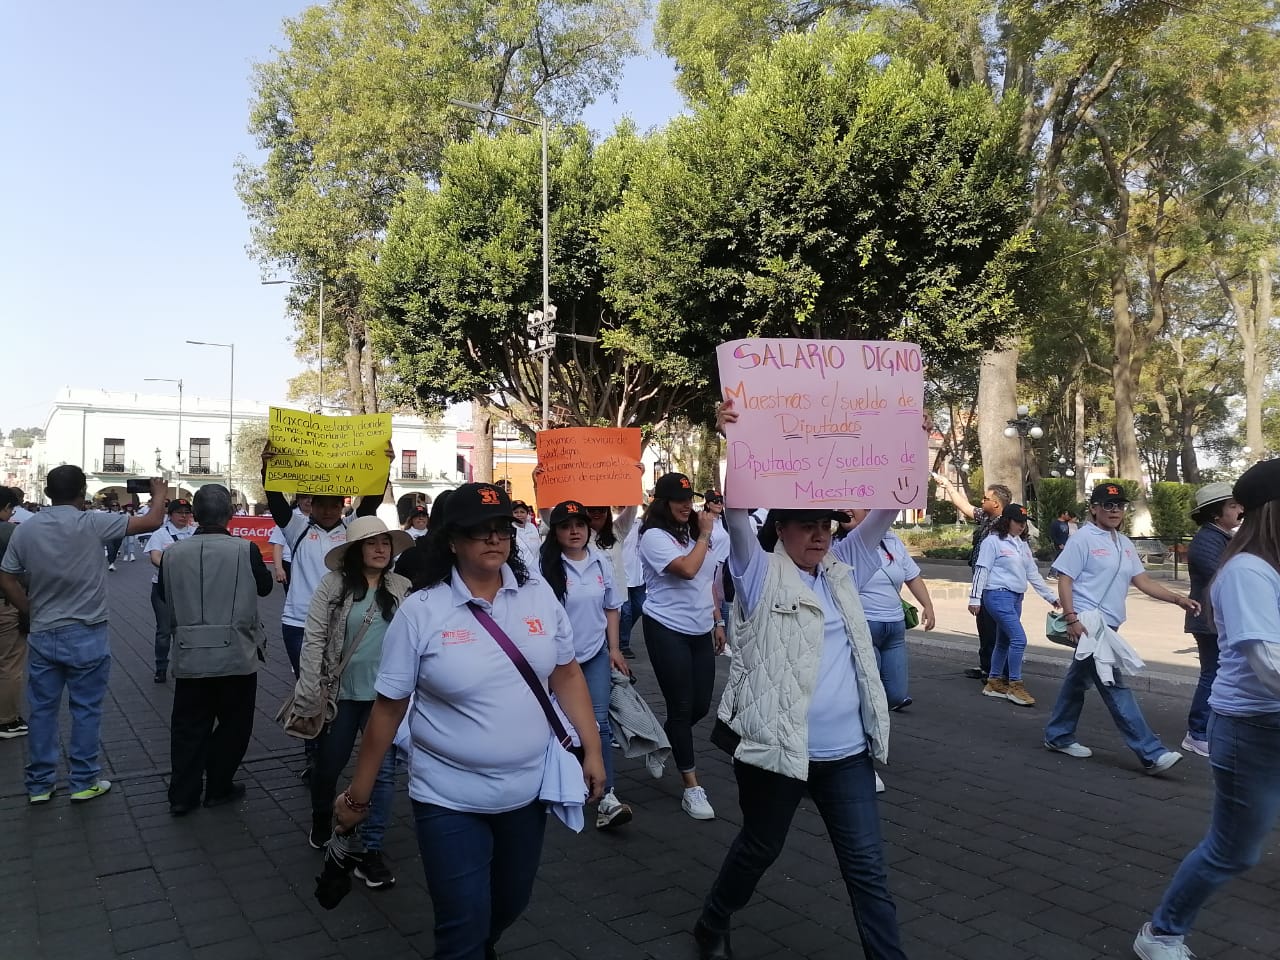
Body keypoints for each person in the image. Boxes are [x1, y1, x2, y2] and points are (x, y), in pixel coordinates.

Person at [332, 482, 604, 960]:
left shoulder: (538, 597)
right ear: (452, 541)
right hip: (447, 797)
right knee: (462, 922)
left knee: (510, 902)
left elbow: (566, 672)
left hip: (526, 792)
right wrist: (359, 795)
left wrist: (593, 750)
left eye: (501, 528)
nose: (494, 538)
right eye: (479, 530)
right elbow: (389, 709)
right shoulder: (422, 611)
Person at [694, 399, 906, 960]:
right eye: (806, 525)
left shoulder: (844, 570)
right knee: (760, 847)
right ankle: (713, 921)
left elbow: (887, 508)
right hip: (777, 750)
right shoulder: (758, 573)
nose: (819, 535)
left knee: (867, 870)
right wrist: (734, 441)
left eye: (826, 525)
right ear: (781, 528)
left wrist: (911, 442)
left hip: (847, 754)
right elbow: (736, 516)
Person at [1132, 459, 1280, 960]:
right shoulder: (1248, 571)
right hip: (1251, 729)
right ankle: (1161, 934)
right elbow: (1268, 663)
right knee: (1233, 850)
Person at [0, 467, 167, 803]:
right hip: (86, 630)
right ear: (82, 491)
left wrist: (29, 609)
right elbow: (151, 521)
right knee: (86, 709)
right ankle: (83, 780)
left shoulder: (26, 530)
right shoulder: (92, 522)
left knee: (42, 710)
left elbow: (7, 577)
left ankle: (40, 785)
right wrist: (159, 492)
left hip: (44, 631)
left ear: (48, 493)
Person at [1043, 482, 1200, 774]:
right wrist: (1072, 618)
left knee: (1078, 681)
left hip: (1109, 625)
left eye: (1119, 506)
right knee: (1114, 685)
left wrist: (1178, 599)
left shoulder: (1124, 543)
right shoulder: (1083, 539)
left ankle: (1058, 734)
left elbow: (1143, 581)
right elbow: (1065, 579)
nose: (1114, 511)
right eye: (1108, 505)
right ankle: (1151, 753)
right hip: (1090, 623)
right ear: (1094, 509)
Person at [294, 516, 412, 889]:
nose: (380, 549)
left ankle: (370, 850)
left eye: (385, 543)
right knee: (329, 766)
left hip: (385, 698)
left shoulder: (402, 587)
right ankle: (322, 818)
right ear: (356, 550)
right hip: (340, 695)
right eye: (371, 543)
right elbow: (314, 638)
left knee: (383, 773)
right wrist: (308, 690)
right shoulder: (333, 585)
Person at [161, 485, 273, 815]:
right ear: (230, 515)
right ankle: (219, 785)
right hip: (235, 652)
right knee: (235, 724)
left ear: (195, 515)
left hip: (189, 653)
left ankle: (182, 795)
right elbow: (265, 588)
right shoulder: (245, 549)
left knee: (188, 727)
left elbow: (165, 595)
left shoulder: (172, 553)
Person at [539, 499, 633, 830]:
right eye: (565, 526)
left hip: (593, 655)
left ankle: (607, 796)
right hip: (554, 661)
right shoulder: (543, 566)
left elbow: (611, 607)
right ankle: (555, 783)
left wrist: (614, 649)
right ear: (555, 531)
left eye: (579, 524)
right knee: (552, 723)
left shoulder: (600, 561)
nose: (574, 531)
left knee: (599, 723)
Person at [639, 472, 726, 820]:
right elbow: (688, 570)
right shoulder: (653, 537)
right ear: (663, 503)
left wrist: (718, 621)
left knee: (701, 705)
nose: (686, 505)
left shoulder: (693, 533)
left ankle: (662, 740)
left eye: (689, 499)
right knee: (681, 705)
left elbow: (708, 581)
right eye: (679, 500)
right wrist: (705, 534)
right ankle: (692, 787)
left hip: (700, 627)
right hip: (666, 627)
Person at [260, 444, 387, 678]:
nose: (328, 511)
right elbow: (276, 501)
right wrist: (267, 468)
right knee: (306, 686)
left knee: (336, 685)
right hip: (300, 622)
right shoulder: (296, 528)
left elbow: (371, 503)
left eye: (334, 506)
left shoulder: (352, 528)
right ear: (312, 506)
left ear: (341, 507)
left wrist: (384, 466)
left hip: (342, 621)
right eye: (321, 505)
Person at [968, 503, 1059, 707]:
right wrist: (975, 598)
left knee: (1004, 640)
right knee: (1018, 639)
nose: (1022, 525)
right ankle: (1015, 684)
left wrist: (1051, 596)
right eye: (1018, 521)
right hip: (997, 595)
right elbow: (982, 569)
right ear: (1007, 521)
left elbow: (1032, 573)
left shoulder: (1021, 544)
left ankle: (993, 682)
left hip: (1016, 597)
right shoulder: (992, 542)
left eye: (1024, 522)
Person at [847, 508, 935, 711]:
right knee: (869, 694)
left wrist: (928, 605)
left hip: (895, 627)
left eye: (852, 504)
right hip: (862, 627)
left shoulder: (892, 541)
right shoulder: (840, 544)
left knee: (896, 697)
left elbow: (912, 576)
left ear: (870, 511)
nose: (845, 509)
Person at [1180, 482, 1242, 758]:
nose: (1239, 511)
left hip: (1217, 618)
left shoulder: (1223, 537)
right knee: (1212, 674)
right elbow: (1224, 576)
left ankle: (1209, 729)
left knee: (1219, 673)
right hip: (1208, 619)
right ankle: (1197, 733)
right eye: (1233, 506)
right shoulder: (1207, 540)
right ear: (1216, 513)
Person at [933, 473, 1013, 680]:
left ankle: (999, 673)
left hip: (995, 584)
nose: (982, 501)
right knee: (984, 627)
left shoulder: (1007, 525)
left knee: (995, 629)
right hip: (982, 583)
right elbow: (965, 507)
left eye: (986, 498)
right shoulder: (987, 518)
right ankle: (987, 667)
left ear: (996, 503)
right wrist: (948, 486)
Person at [147, 498, 196, 683]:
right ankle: (161, 667)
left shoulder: (195, 533)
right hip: (164, 588)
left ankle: (184, 666)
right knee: (164, 630)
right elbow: (155, 557)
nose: (183, 516)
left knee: (186, 629)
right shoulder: (160, 534)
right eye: (179, 512)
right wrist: (175, 568)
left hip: (188, 588)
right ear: (170, 515)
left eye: (187, 512)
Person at [0, 488, 27, 739]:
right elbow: (25, 571)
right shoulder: (11, 532)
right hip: (5, 604)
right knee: (9, 663)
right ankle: (7, 721)